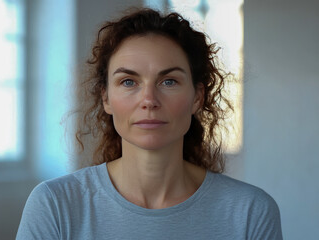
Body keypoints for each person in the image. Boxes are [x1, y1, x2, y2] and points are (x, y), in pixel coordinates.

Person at [16, 8, 282, 239]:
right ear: (106, 98)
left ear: (197, 97)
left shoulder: (251, 211)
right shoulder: (54, 205)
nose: (149, 100)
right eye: (129, 82)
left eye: (169, 81)